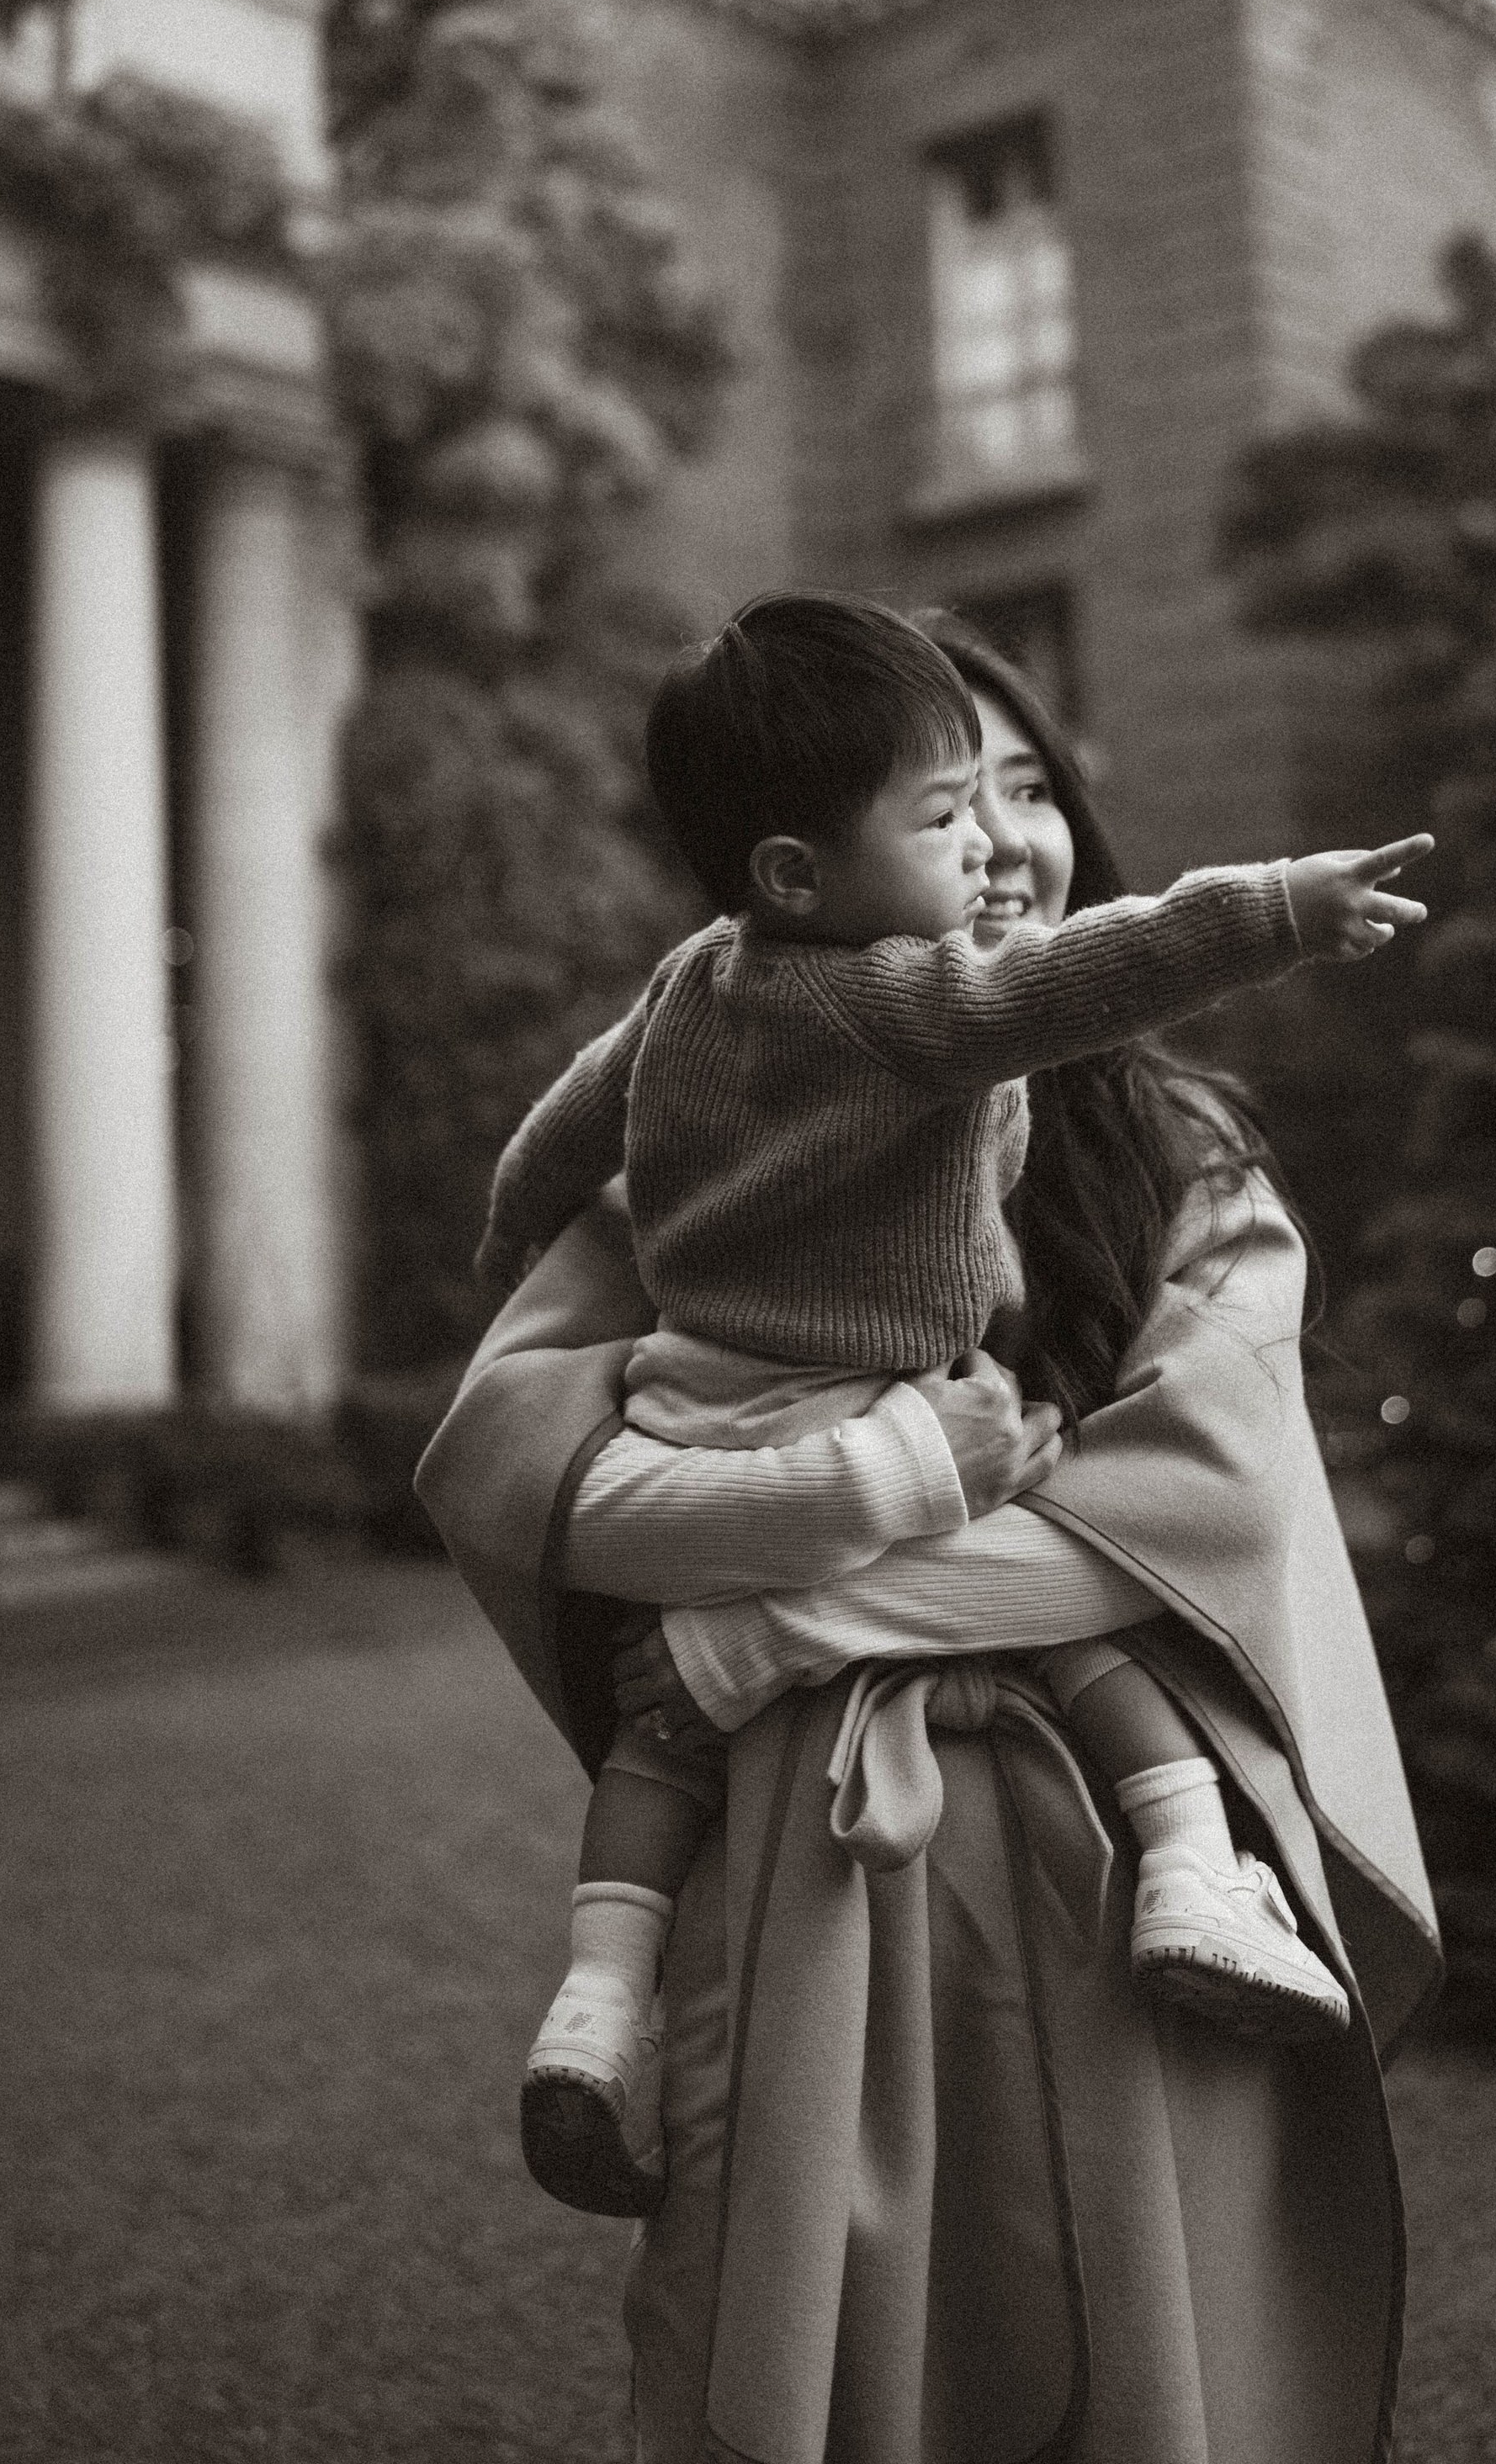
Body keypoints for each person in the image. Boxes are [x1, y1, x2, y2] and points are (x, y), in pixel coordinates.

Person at [419, 615, 1440, 2464]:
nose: (1000, 842)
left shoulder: (1185, 1159)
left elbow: (1178, 1512)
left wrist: (764, 1626)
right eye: (948, 801)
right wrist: (823, 1508)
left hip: (1107, 1882)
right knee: (791, 2341)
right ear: (808, 868)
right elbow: (530, 1471)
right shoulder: (723, 1133)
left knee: (1127, 2333)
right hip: (801, 1868)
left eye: (1029, 788)